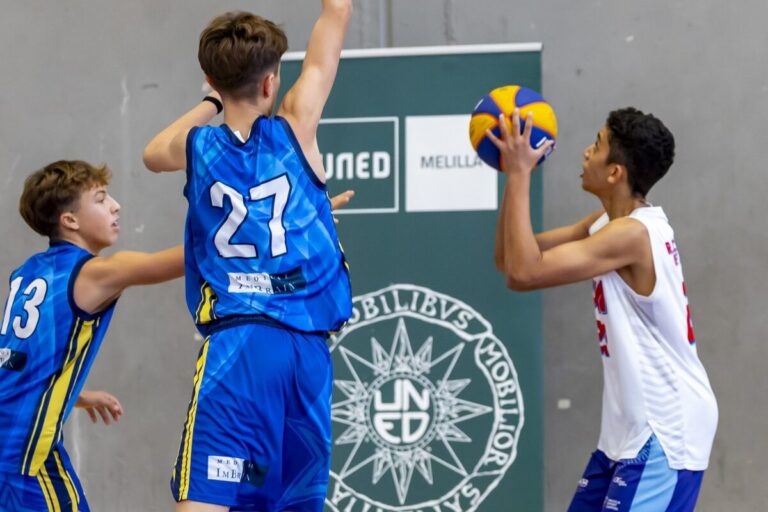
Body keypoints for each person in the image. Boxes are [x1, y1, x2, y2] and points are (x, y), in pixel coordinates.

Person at [142, 2, 353, 511]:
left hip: (240, 346)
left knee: (210, 496)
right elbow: (335, 22)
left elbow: (153, 153)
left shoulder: (197, 147)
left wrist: (212, 101)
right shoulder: (297, 126)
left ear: (212, 78)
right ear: (270, 84)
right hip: (307, 354)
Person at [488, 107, 718, 511]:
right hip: (625, 432)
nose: (585, 152)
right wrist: (513, 174)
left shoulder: (631, 235)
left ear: (615, 172)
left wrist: (523, 174)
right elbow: (511, 261)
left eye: (596, 145)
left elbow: (524, 271)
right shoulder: (607, 223)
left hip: (666, 429)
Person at [0, 159, 185, 511]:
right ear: (69, 221)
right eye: (100, 199)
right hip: (25, 456)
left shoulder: (26, 273)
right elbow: (195, 257)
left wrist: (78, 395)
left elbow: (15, 360)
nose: (115, 205)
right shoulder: (94, 273)